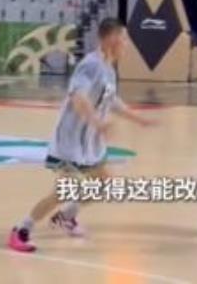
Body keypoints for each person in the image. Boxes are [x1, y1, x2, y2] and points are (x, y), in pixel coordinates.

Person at [8, 18, 154, 252]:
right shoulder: (90, 65)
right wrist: (98, 123)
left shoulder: (109, 69)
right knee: (63, 191)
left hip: (90, 144)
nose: (127, 44)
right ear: (111, 39)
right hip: (70, 142)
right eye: (124, 38)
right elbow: (78, 98)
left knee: (105, 185)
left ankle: (67, 216)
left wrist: (138, 119)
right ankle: (20, 230)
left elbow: (111, 101)